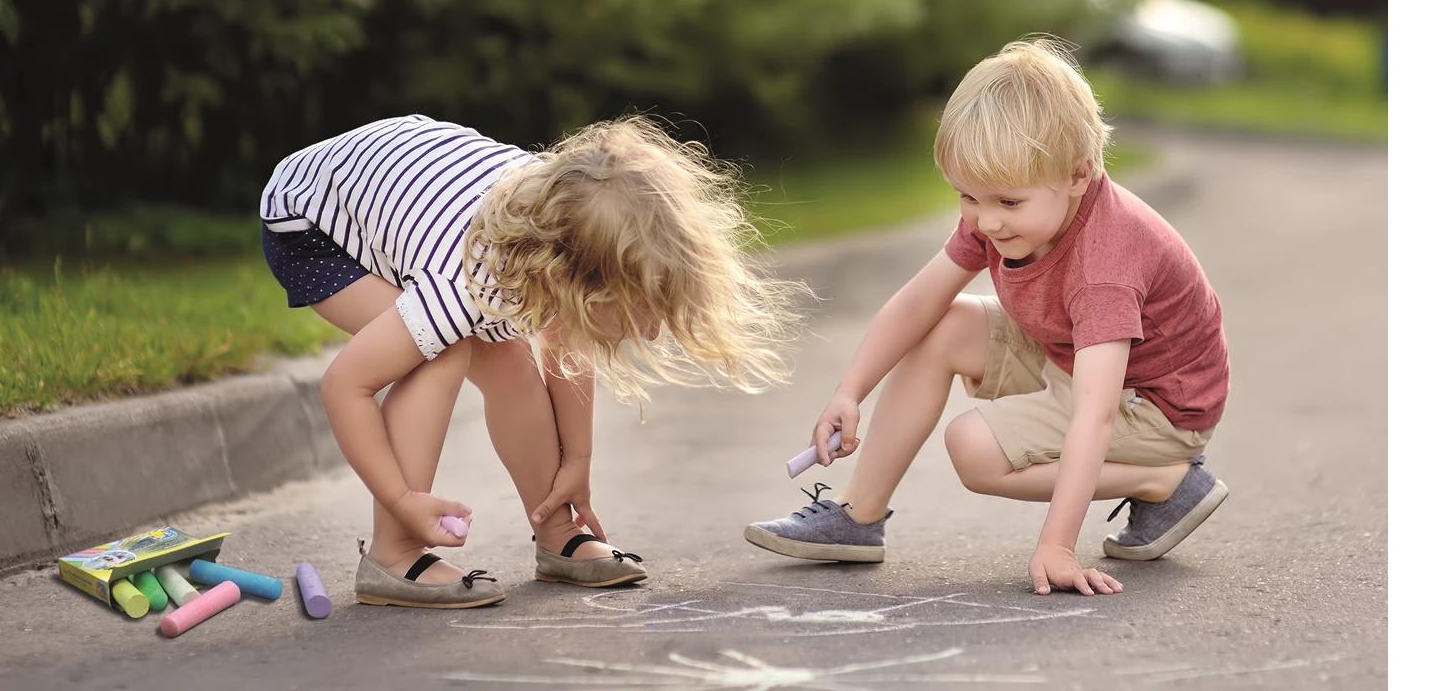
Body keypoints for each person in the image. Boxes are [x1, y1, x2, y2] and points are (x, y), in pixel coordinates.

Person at [744, 38, 1231, 596]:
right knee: (944, 323)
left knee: (974, 448)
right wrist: (849, 391)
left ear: (1078, 174)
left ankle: (1164, 480)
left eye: (1006, 203)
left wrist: (1057, 546)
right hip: (1072, 351)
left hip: (1156, 407)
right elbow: (917, 302)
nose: (986, 222)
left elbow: (1094, 415)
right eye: (966, 197)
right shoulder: (1007, 209)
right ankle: (857, 517)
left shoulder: (1105, 266)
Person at [261, 113, 799, 607]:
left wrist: (577, 466)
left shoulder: (565, 230)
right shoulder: (467, 282)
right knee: (442, 352)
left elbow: (568, 341)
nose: (654, 328)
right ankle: (393, 553)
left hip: (408, 193)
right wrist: (401, 499)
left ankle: (557, 531)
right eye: (644, 311)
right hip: (313, 226)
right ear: (580, 286)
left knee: (511, 364)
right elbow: (345, 386)